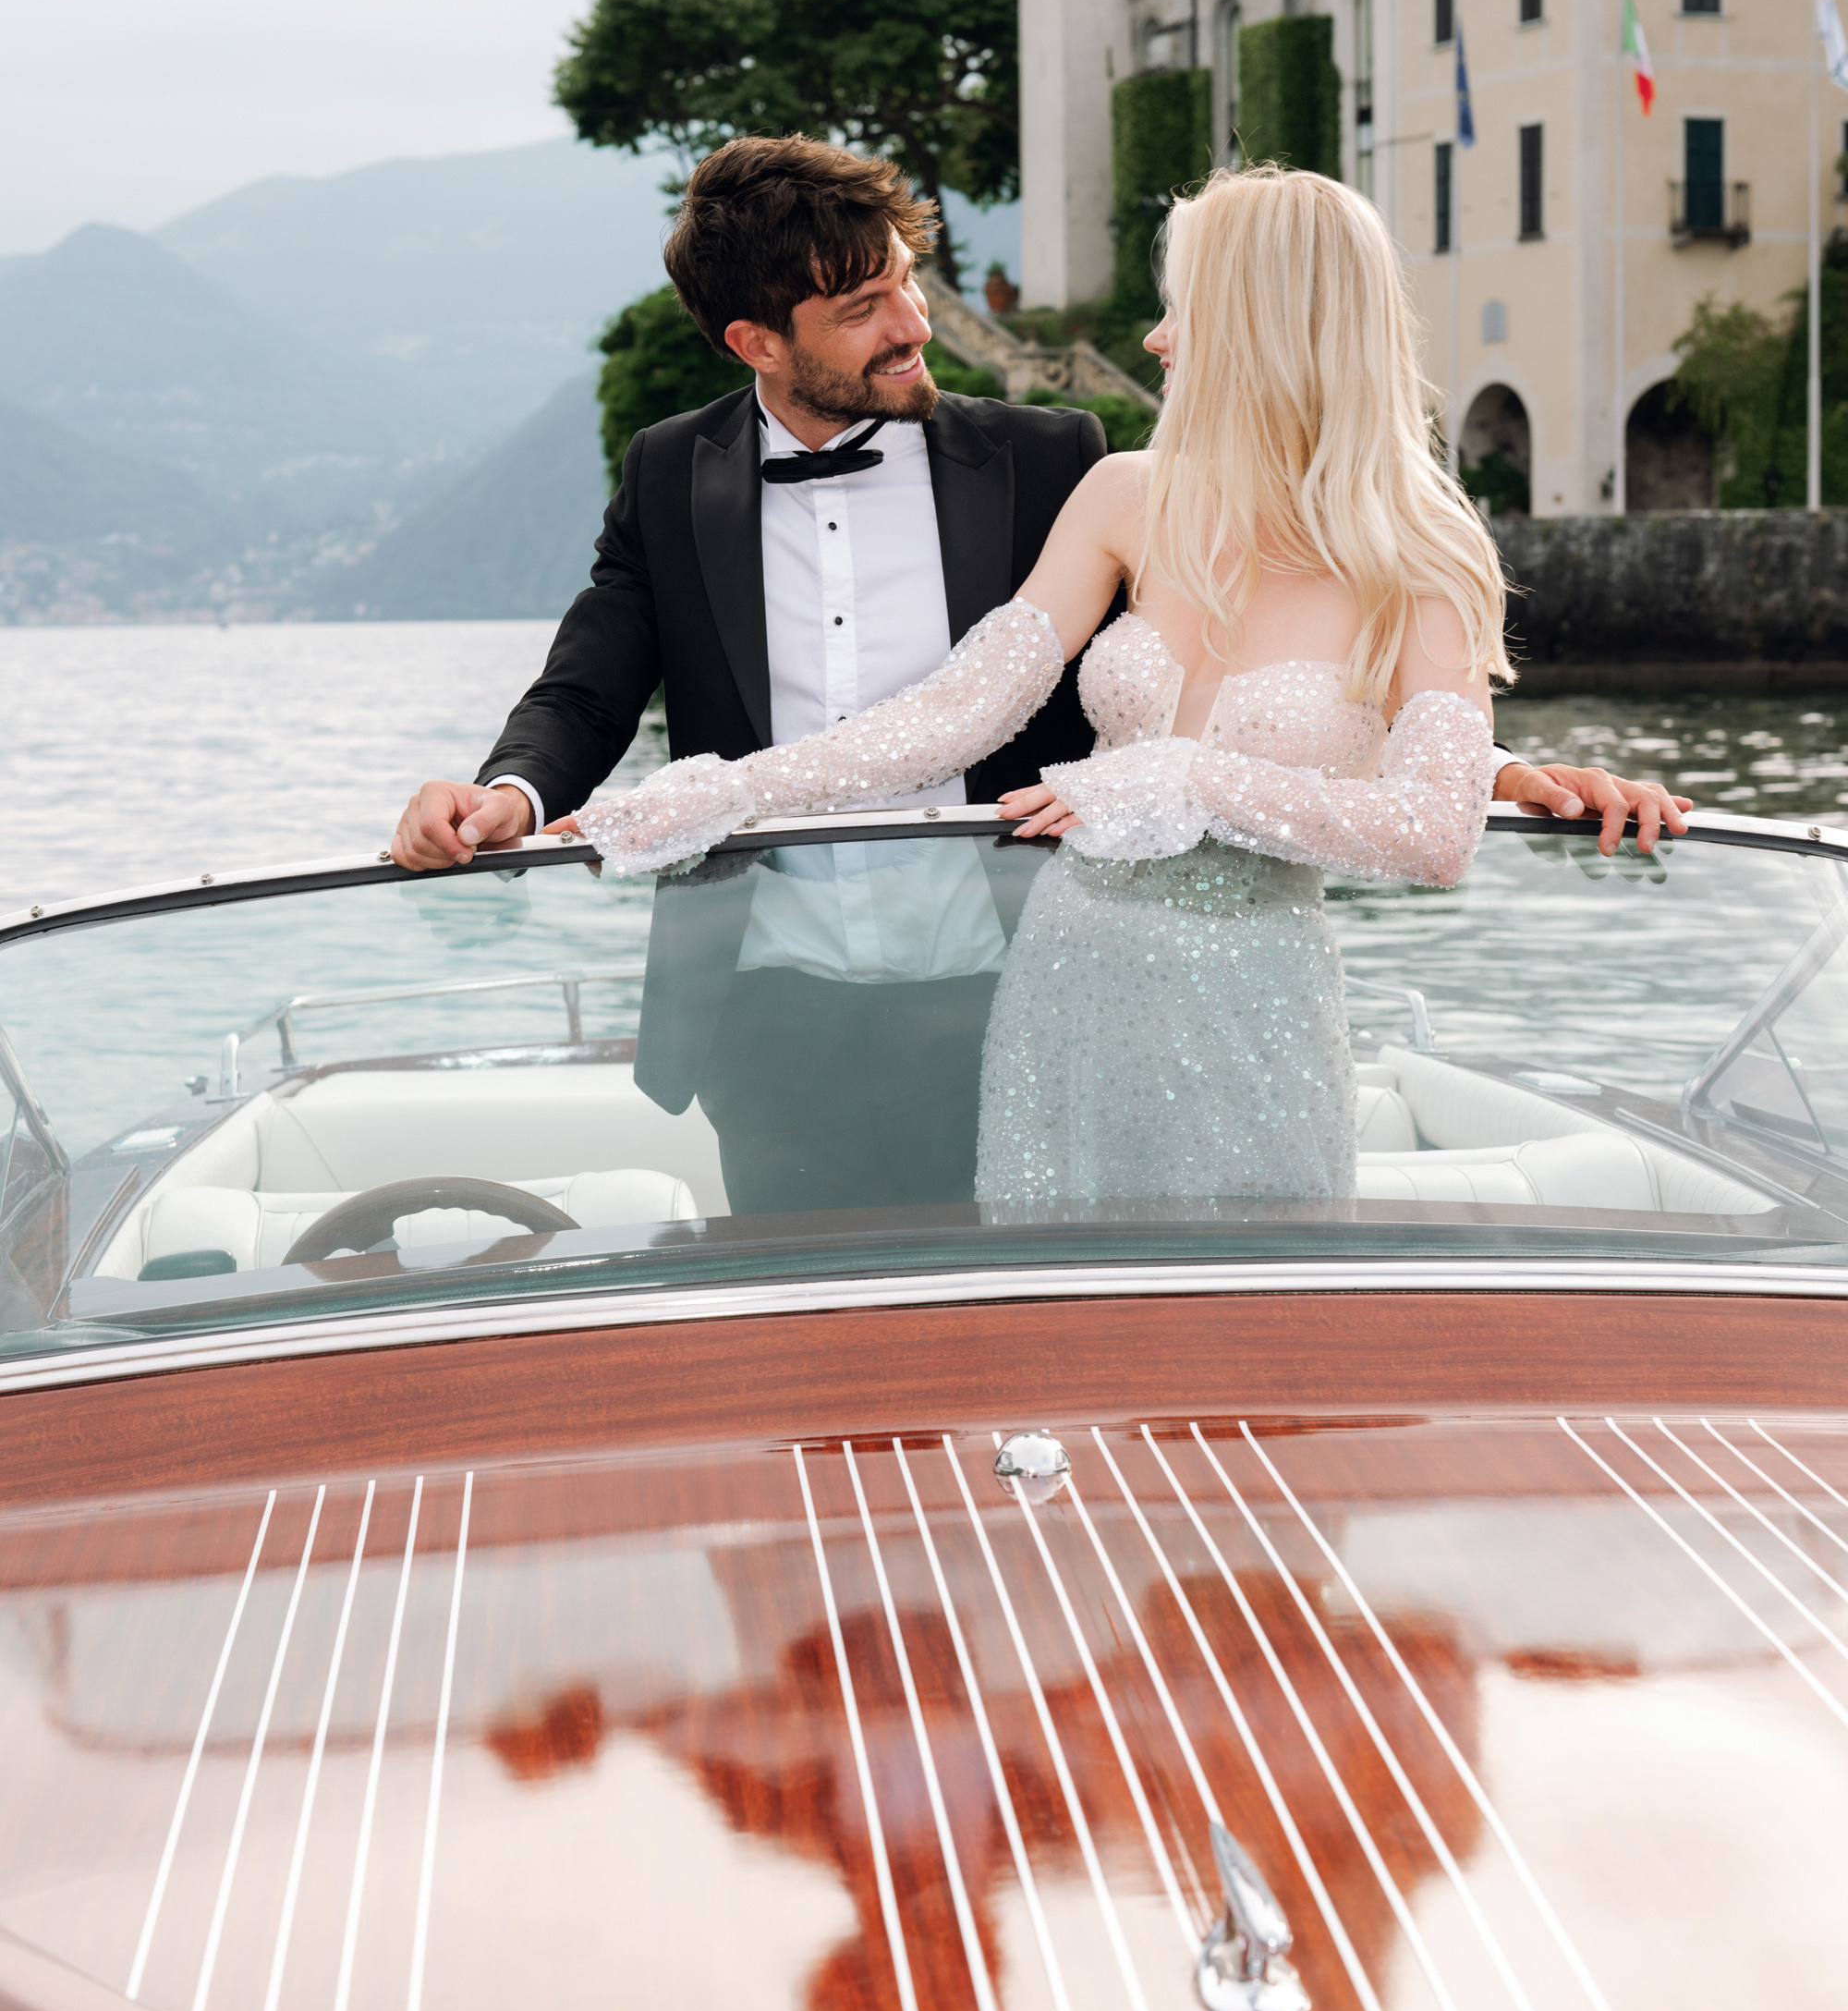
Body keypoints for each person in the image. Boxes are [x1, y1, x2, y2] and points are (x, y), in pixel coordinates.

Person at [391, 136, 1683, 1208]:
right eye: (863, 308)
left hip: (1152, 996)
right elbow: (951, 709)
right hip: (942, 1000)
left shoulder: (1082, 464)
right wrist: (704, 791)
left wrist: (1482, 767)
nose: (1158, 341)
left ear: (1263, 325)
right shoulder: (1109, 493)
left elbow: (1386, 793)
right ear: (758, 342)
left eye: (1185, 308)